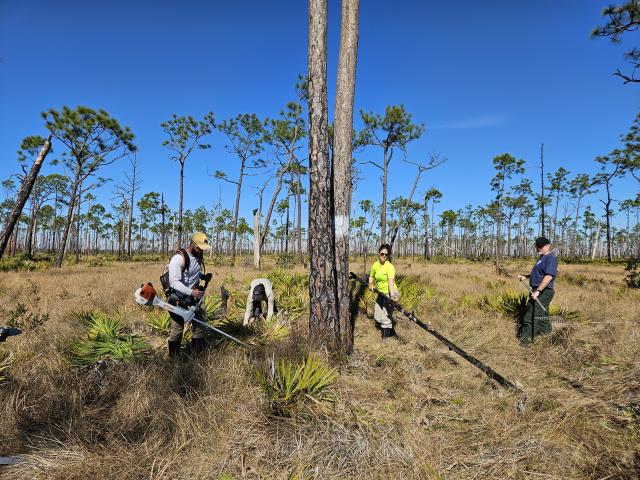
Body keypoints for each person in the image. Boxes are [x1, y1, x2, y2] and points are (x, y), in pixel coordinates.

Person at [166, 232, 212, 356]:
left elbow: (192, 273)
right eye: (200, 248)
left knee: (199, 326)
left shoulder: (197, 256)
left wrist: (203, 276)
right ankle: (174, 358)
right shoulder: (179, 258)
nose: (202, 251)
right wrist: (191, 292)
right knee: (177, 328)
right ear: (193, 244)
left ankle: (198, 354)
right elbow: (174, 282)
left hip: (195, 298)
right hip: (179, 299)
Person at [517, 236, 558, 344]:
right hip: (536, 290)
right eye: (537, 246)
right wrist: (526, 276)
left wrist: (538, 291)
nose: (538, 248)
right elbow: (539, 273)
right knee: (542, 316)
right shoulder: (541, 258)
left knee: (533, 316)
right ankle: (548, 337)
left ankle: (527, 341)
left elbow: (548, 276)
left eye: (541, 246)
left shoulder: (551, 258)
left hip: (544, 291)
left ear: (548, 246)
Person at [369, 243, 400, 340]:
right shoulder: (375, 265)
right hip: (381, 293)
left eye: (386, 255)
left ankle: (386, 339)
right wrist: (371, 284)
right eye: (382, 254)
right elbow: (371, 276)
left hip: (391, 293)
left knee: (387, 315)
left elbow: (390, 283)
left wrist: (392, 298)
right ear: (378, 253)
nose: (384, 256)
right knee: (378, 316)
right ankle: (390, 330)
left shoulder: (389, 266)